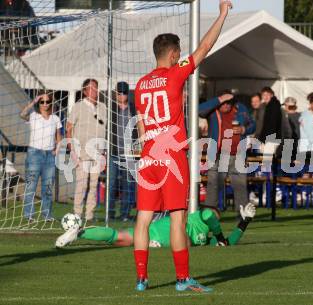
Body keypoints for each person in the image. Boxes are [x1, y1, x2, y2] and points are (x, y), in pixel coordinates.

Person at [133, 0, 232, 293]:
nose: (180, 58)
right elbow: (204, 48)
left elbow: (140, 125)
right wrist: (223, 14)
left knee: (143, 220)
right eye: (179, 54)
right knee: (178, 217)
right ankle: (182, 279)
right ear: (174, 54)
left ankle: (141, 279)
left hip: (147, 157)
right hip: (172, 158)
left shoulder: (140, 84)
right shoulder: (175, 74)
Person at [55, 203, 256, 248]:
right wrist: (219, 235)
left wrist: (245, 221)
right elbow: (208, 216)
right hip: (169, 231)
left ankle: (79, 233)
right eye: (214, 215)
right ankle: (155, 244)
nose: (214, 218)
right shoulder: (200, 216)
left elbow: (229, 243)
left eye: (217, 217)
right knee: (184, 239)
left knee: (118, 238)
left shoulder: (207, 239)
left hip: (155, 231)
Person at [198, 92, 255, 213]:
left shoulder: (241, 108)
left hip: (238, 154)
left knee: (240, 188)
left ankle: (243, 217)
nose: (226, 106)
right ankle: (209, 216)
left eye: (229, 103)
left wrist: (244, 129)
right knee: (213, 187)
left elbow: (253, 124)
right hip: (218, 155)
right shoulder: (212, 111)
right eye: (223, 103)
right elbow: (199, 110)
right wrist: (219, 99)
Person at [66, 79, 107, 223]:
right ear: (84, 91)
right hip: (81, 154)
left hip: (97, 154)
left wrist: (104, 153)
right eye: (90, 88)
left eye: (96, 88)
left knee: (94, 186)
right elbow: (69, 128)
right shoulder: (78, 106)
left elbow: (105, 131)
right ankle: (77, 214)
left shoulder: (103, 107)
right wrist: (72, 151)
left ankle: (89, 215)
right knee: (81, 185)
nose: (94, 91)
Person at [20, 92, 62, 221]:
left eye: (47, 101)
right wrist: (33, 102)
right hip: (34, 154)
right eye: (42, 101)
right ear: (39, 103)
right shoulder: (33, 116)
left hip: (49, 155)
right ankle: (29, 215)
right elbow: (22, 114)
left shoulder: (55, 119)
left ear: (51, 103)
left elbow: (59, 137)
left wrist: (57, 150)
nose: (45, 104)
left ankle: (47, 215)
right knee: (31, 185)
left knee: (48, 187)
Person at [108, 81, 137, 221]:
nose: (122, 95)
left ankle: (125, 214)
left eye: (124, 93)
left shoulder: (133, 108)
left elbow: (138, 127)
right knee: (112, 183)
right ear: (115, 94)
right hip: (113, 151)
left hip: (129, 153)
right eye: (119, 93)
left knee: (128, 184)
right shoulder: (110, 108)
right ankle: (110, 213)